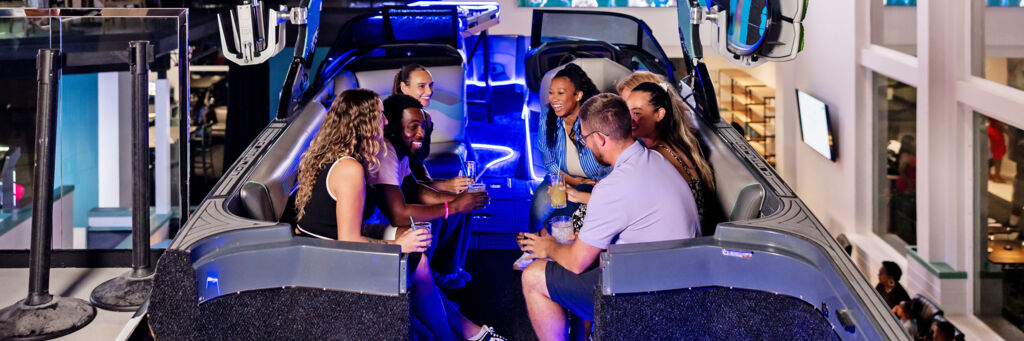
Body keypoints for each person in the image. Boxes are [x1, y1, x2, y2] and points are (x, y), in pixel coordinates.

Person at [296, 89, 505, 341]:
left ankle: (467, 333)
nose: (385, 123)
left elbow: (344, 228)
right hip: (328, 259)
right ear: (362, 123)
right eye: (380, 116)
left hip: (325, 247)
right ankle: (456, 335)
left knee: (416, 253)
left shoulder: (345, 156)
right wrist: (396, 244)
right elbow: (347, 239)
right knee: (415, 260)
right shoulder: (349, 168)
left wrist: (405, 235)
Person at [519, 94, 700, 340]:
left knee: (533, 276)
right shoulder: (655, 160)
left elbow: (576, 263)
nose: (584, 144)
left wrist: (548, 247)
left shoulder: (613, 186)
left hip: (644, 298)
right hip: (680, 283)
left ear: (600, 139)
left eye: (583, 138)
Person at [520, 63, 610, 270]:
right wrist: (574, 182)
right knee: (540, 204)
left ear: (578, 95)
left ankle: (564, 257)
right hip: (562, 178)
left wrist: (591, 184)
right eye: (551, 93)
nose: (553, 99)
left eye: (561, 93)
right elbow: (549, 161)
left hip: (597, 182)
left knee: (567, 214)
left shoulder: (594, 118)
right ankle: (532, 251)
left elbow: (607, 165)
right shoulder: (547, 116)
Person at [393, 65, 475, 288]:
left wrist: (445, 185)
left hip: (411, 183)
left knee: (463, 196)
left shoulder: (425, 119)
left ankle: (450, 267)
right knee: (453, 203)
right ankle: (437, 273)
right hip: (397, 191)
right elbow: (406, 181)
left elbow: (418, 169)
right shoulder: (394, 120)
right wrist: (443, 186)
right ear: (403, 87)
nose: (428, 91)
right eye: (421, 86)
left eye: (431, 86)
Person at [618, 79, 720, 236]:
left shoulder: (654, 158)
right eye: (627, 111)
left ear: (659, 114)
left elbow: (624, 206)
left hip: (671, 243)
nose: (629, 120)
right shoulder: (677, 147)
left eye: (637, 113)